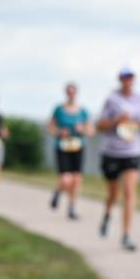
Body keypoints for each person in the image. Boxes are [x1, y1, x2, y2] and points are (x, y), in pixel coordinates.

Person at [96, 68, 140, 251]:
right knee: (113, 193)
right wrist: (116, 120)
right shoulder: (112, 100)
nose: (128, 80)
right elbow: (100, 125)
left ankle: (126, 235)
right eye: (125, 78)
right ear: (120, 80)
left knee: (129, 192)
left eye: (131, 77)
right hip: (112, 152)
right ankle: (107, 215)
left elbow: (139, 121)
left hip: (133, 150)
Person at [48, 82, 92, 220]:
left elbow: (91, 130)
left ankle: (72, 208)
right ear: (66, 93)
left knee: (77, 179)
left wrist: (82, 130)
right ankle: (58, 192)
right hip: (63, 147)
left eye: (73, 92)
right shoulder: (59, 110)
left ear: (76, 93)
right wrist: (59, 132)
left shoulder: (83, 111)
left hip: (78, 146)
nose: (71, 94)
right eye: (69, 92)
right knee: (66, 180)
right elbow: (50, 127)